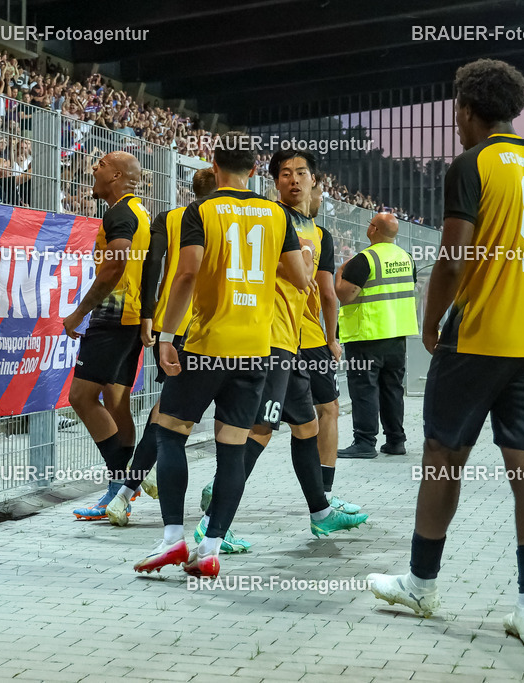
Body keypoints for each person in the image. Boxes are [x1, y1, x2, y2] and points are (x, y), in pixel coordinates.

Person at [364, 59, 524, 649]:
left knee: (443, 454)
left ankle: (421, 585)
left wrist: (432, 319)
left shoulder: (473, 162)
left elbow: (454, 257)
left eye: (455, 110)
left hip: (478, 338)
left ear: (465, 108)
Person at [133, 132, 311, 577]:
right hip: (257, 349)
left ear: (214, 168)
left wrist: (167, 334)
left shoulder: (202, 210)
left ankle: (173, 539)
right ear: (254, 170)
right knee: (233, 448)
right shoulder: (275, 215)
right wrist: (302, 259)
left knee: (171, 431)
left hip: (207, 344)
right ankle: (211, 548)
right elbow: (299, 277)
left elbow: (188, 274)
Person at [192, 149, 368, 549]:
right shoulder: (270, 218)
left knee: (306, 425)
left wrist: (326, 335)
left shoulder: (316, 232)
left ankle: (321, 512)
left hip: (293, 341)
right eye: (285, 173)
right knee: (260, 428)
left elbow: (321, 290)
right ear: (273, 182)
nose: (294, 179)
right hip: (267, 339)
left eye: (301, 172)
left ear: (314, 181)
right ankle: (211, 521)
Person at [104, 167, 218, 526]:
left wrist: (149, 317)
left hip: (172, 325)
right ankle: (212, 496)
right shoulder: (234, 219)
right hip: (218, 328)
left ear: (189, 189)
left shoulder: (169, 218)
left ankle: (127, 491)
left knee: (167, 411)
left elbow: (152, 266)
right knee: (226, 421)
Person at [61, 151, 151, 520]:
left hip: (113, 316)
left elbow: (115, 265)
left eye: (99, 165)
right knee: (116, 401)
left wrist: (79, 312)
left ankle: (120, 487)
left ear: (115, 175)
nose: (92, 169)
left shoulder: (120, 213)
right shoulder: (141, 213)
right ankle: (127, 486)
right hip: (132, 317)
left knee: (81, 397)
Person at [334, 211, 418, 457]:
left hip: (367, 335)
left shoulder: (364, 260)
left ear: (374, 230)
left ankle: (364, 442)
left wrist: (340, 273)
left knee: (364, 389)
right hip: (397, 337)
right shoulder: (407, 258)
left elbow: (345, 295)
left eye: (370, 224)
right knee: (392, 389)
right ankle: (395, 441)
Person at [303, 176, 360, 508]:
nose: (321, 200)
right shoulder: (318, 234)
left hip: (269, 338)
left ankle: (221, 483)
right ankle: (324, 495)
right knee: (327, 410)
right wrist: (332, 339)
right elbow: (328, 294)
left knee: (259, 420)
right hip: (307, 338)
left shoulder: (268, 218)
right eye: (320, 194)